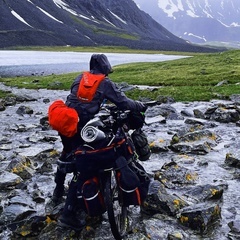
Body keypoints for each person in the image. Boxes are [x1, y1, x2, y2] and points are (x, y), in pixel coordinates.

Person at [56, 54, 147, 230]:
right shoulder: (104, 82)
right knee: (86, 165)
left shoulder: (80, 77)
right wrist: (140, 106)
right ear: (105, 67)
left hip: (68, 124)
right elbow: (124, 102)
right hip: (85, 127)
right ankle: (69, 214)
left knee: (69, 156)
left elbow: (77, 101)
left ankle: (57, 192)